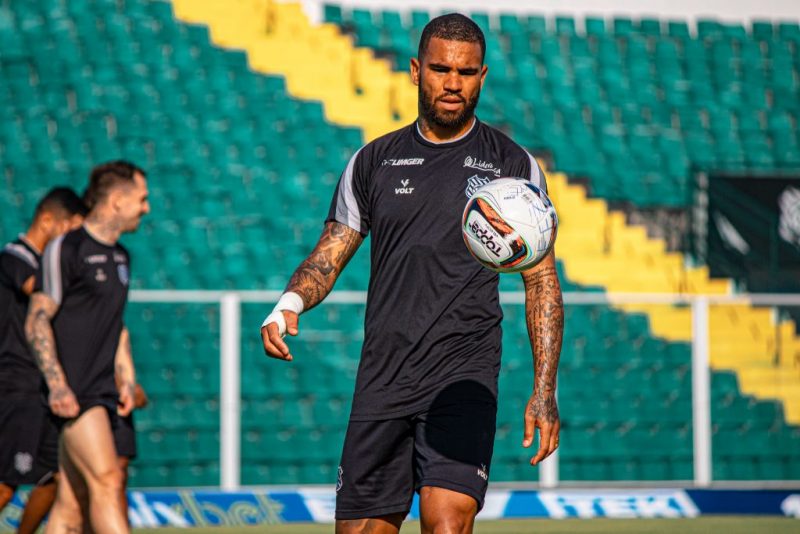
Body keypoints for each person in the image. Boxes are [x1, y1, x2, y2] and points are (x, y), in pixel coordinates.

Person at [261, 13, 564, 534]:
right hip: (384, 376)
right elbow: (328, 254)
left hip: (462, 374)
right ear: (415, 70)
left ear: (483, 76)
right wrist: (288, 303)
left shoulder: (513, 167)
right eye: (440, 69)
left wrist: (544, 388)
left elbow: (541, 283)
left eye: (466, 73)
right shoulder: (373, 161)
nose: (452, 83)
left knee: (446, 523)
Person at [25, 161, 150, 534]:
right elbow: (37, 319)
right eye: (142, 199)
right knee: (108, 481)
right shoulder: (67, 248)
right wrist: (58, 384)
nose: (147, 208)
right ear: (115, 201)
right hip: (77, 392)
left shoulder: (122, 257)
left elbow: (116, 326)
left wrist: (126, 378)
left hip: (105, 391)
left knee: (71, 507)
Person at [0, 187, 87, 533]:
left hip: (43, 385)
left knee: (55, 475)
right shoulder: (15, 258)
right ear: (49, 220)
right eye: (71, 229)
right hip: (16, 383)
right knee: (7, 480)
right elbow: (42, 293)